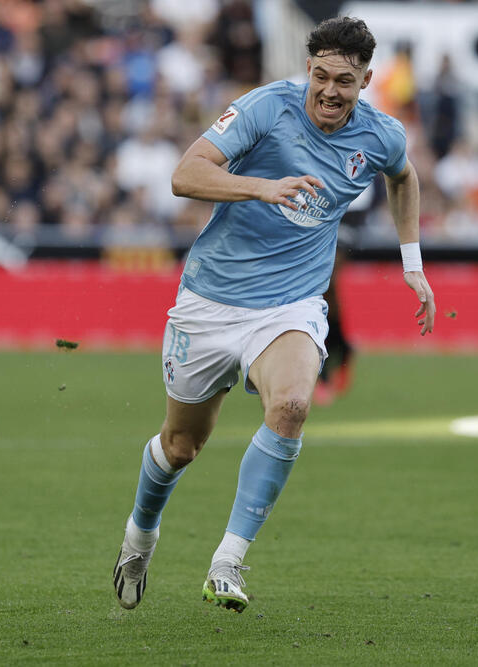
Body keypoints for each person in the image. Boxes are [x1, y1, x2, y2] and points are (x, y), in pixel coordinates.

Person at [112, 17, 435, 614]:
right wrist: (261, 187)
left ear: (366, 79)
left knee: (290, 405)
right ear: (307, 68)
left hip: (290, 305)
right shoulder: (265, 108)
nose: (330, 91)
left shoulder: (381, 135)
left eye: (345, 80)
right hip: (210, 301)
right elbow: (186, 175)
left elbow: (404, 177)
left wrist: (410, 261)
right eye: (321, 75)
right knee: (180, 446)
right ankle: (139, 537)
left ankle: (228, 562)